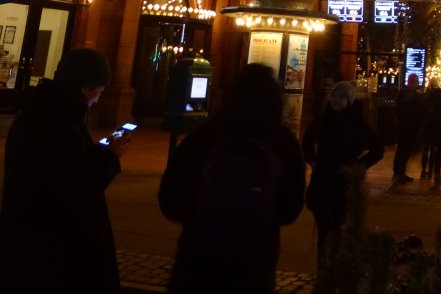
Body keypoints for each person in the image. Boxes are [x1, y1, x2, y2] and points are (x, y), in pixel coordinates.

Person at [158, 64, 305, 294]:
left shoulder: (205, 136)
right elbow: (290, 209)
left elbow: (169, 200)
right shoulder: (283, 144)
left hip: (199, 259)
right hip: (255, 261)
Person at [0, 47, 126, 294]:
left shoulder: (39, 115)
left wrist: (99, 153)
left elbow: (68, 169)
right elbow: (78, 189)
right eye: (100, 90)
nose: (99, 98)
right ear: (86, 87)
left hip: (28, 244)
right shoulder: (61, 124)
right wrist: (111, 157)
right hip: (54, 251)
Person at [302, 80, 383, 265]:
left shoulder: (356, 123)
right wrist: (312, 161)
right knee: (323, 230)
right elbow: (307, 140)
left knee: (338, 230)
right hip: (322, 180)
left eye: (341, 97)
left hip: (342, 183)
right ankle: (323, 271)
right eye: (334, 95)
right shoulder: (323, 119)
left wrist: (358, 167)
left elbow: (378, 148)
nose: (336, 100)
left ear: (349, 101)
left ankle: (335, 272)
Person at [392, 73, 425, 183]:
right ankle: (399, 173)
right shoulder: (416, 96)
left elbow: (398, 109)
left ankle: (399, 173)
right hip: (410, 127)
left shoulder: (403, 93)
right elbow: (420, 112)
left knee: (402, 150)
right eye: (415, 81)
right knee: (404, 151)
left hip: (404, 126)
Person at [419, 76, 440, 179]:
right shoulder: (438, 96)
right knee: (433, 150)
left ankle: (423, 169)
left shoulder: (424, 95)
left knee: (425, 149)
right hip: (434, 126)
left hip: (425, 126)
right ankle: (430, 170)